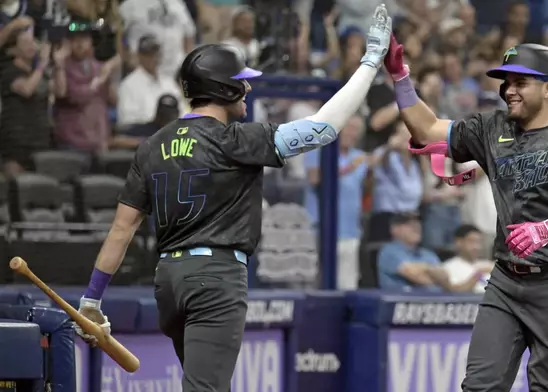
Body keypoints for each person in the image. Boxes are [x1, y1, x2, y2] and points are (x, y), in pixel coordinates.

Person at [72, 5, 392, 392]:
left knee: (202, 382)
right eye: (242, 81)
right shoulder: (234, 139)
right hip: (216, 278)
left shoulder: (151, 145)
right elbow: (323, 129)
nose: (249, 88)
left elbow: (122, 228)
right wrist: (371, 62)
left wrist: (92, 299)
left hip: (169, 281)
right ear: (222, 88)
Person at [383, 36, 548, 392]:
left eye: (520, 82)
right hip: (506, 280)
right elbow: (427, 129)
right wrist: (402, 79)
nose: (509, 90)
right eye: (506, 83)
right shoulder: (492, 127)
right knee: (479, 386)